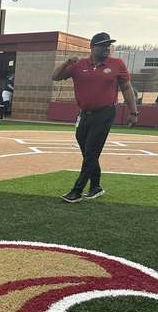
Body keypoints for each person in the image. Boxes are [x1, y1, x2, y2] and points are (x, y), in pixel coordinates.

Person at [51, 32, 138, 203]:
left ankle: (76, 191)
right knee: (88, 152)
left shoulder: (117, 64)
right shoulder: (79, 65)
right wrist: (67, 62)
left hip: (105, 113)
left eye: (109, 45)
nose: (107, 48)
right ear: (92, 47)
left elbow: (127, 88)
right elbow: (55, 76)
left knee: (91, 152)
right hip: (85, 114)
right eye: (103, 45)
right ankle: (96, 186)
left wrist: (133, 112)